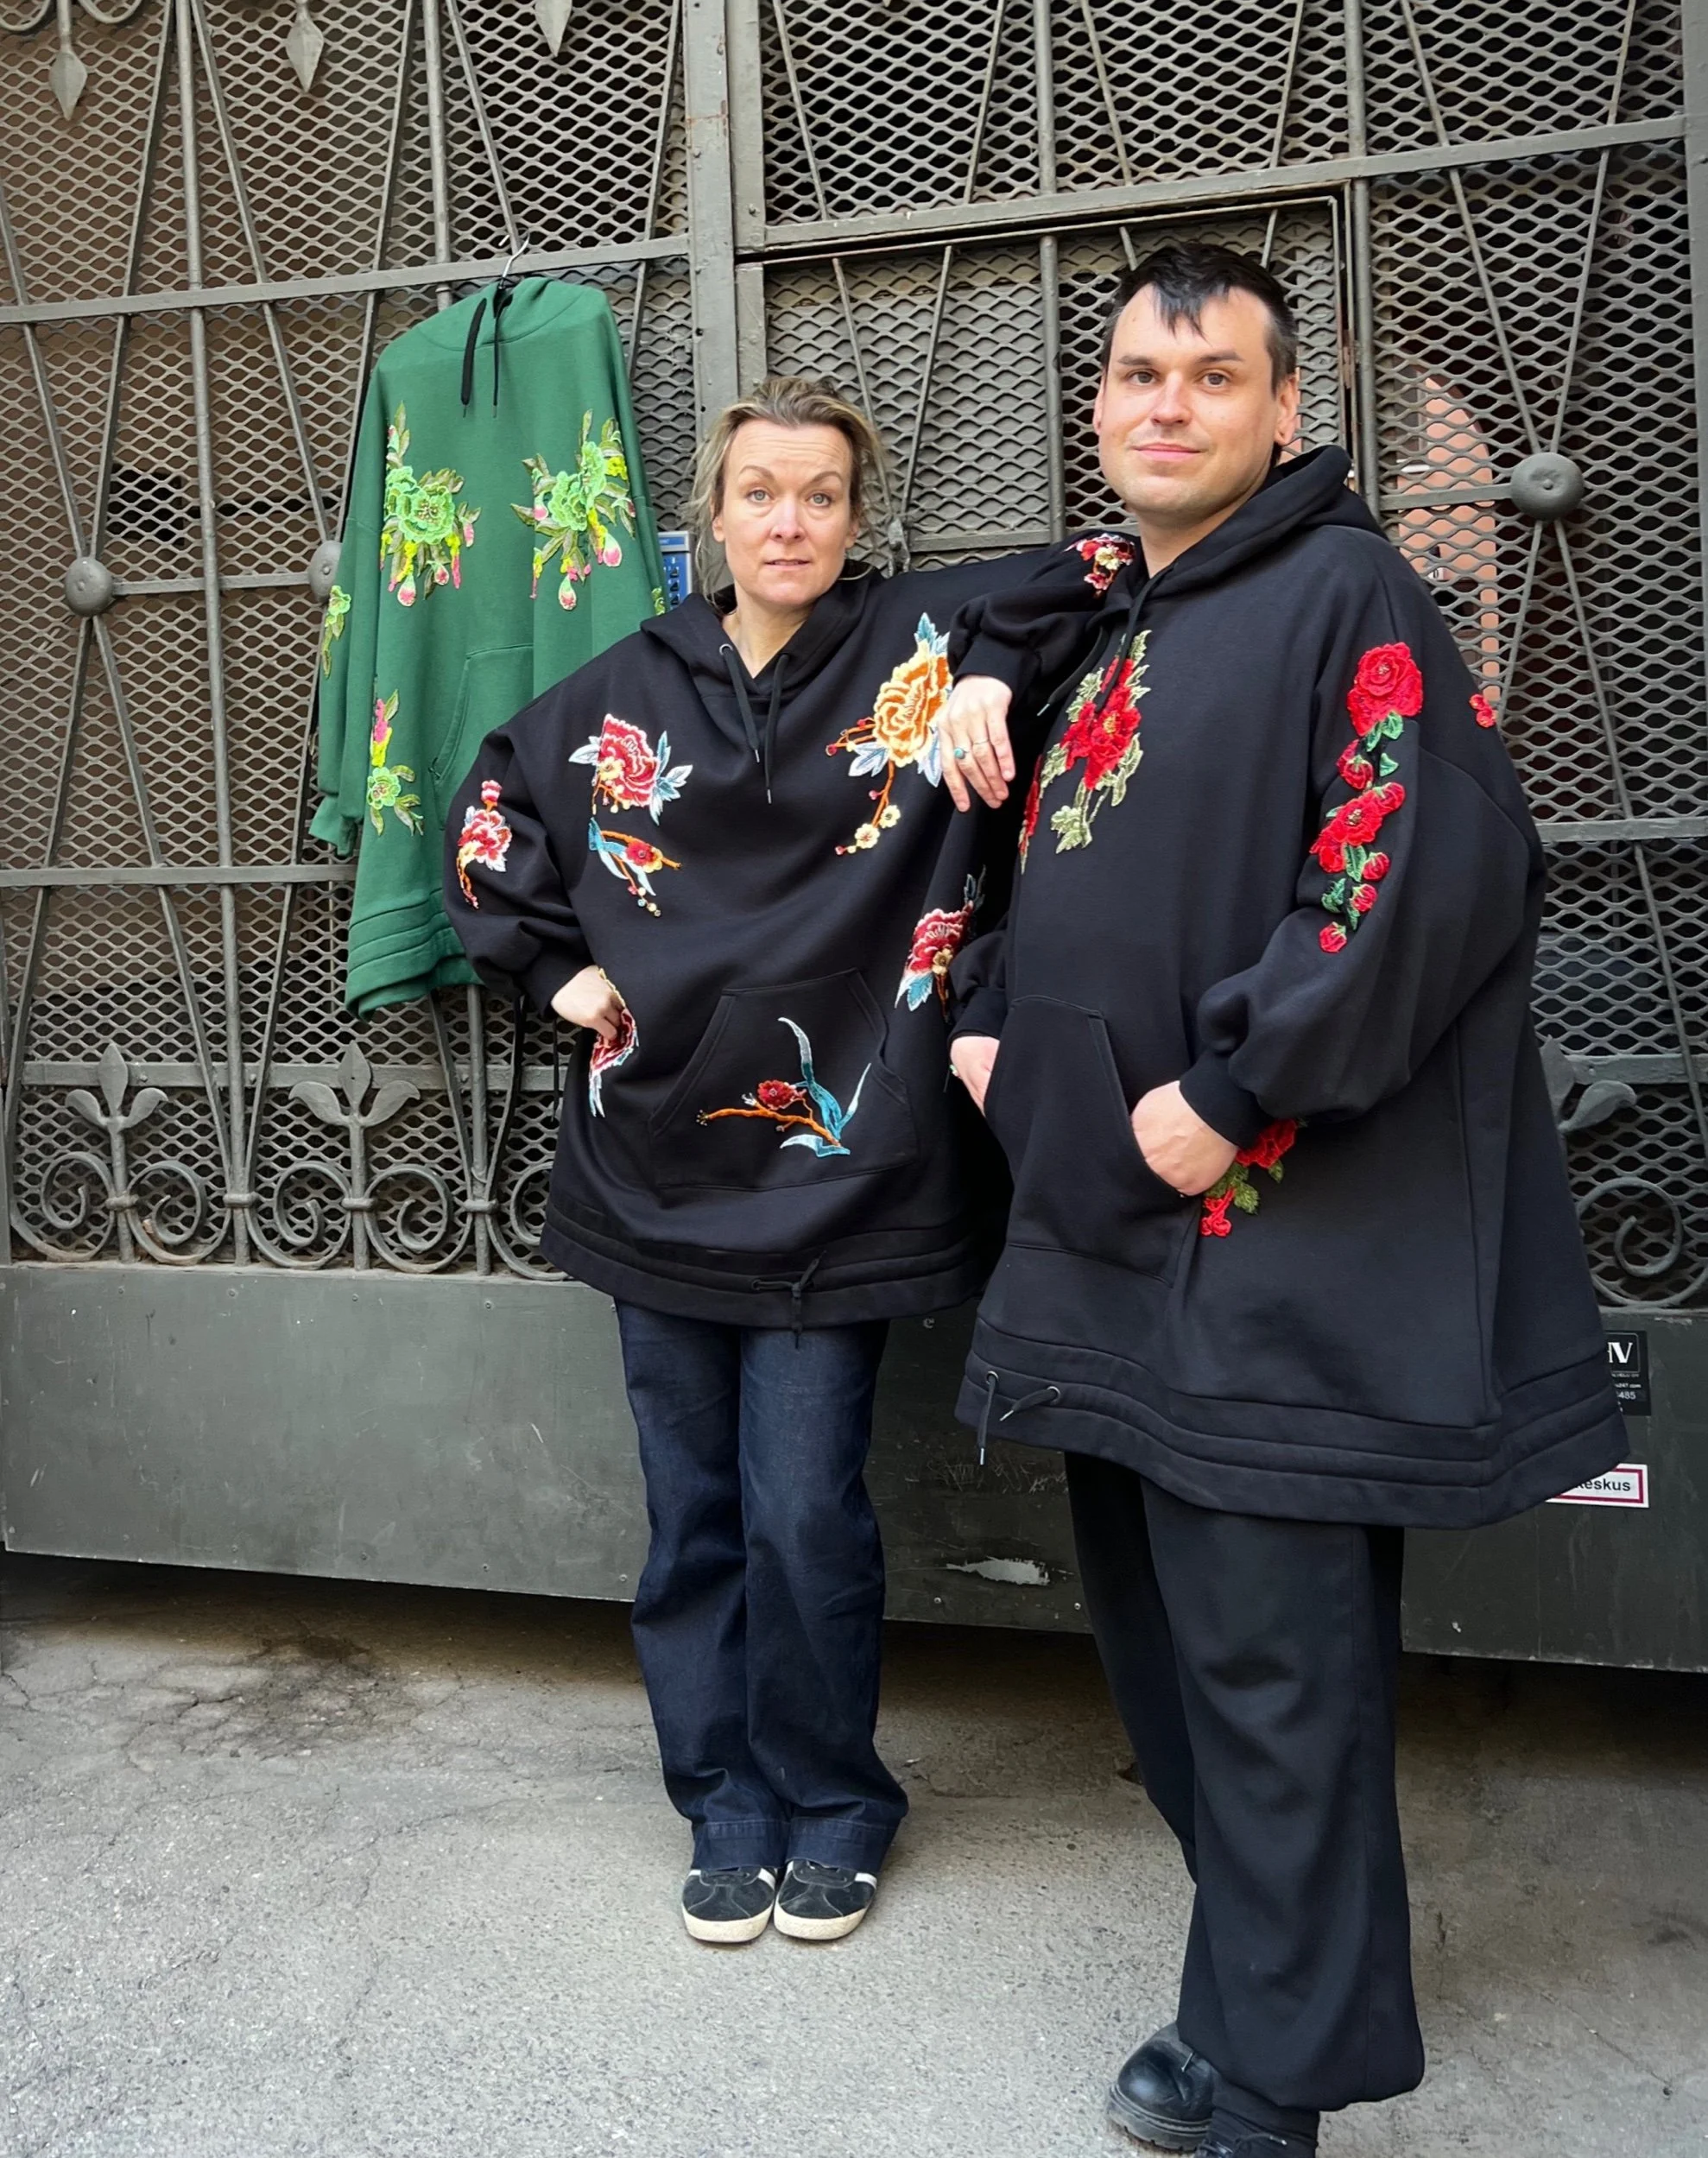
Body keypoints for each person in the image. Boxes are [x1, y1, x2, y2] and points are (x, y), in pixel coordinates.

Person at [933, 245, 1624, 2155]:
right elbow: (1027, 841)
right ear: (1098, 405)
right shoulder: (1111, 609)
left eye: (1211, 376)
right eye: (1136, 376)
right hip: (1104, 1228)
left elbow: (1425, 867)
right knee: (1171, 1669)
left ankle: (1270, 2082)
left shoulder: (1345, 590)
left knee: (1271, 1675)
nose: (1166, 405)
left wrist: (1234, 1090)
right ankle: (1249, 1999)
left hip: (1270, 1230)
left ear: (1283, 409)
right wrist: (984, 1020)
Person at [442, 377, 1035, 1947]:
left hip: (849, 1172)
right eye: (759, 491)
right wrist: (555, 970)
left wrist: (990, 672)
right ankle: (723, 1801)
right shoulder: (624, 690)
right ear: (710, 513)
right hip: (655, 1167)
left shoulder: (920, 641)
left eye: (821, 495)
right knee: (692, 1515)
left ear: (857, 515)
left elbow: (1106, 575)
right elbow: (487, 817)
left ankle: (834, 1801)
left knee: (803, 1513)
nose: (789, 521)